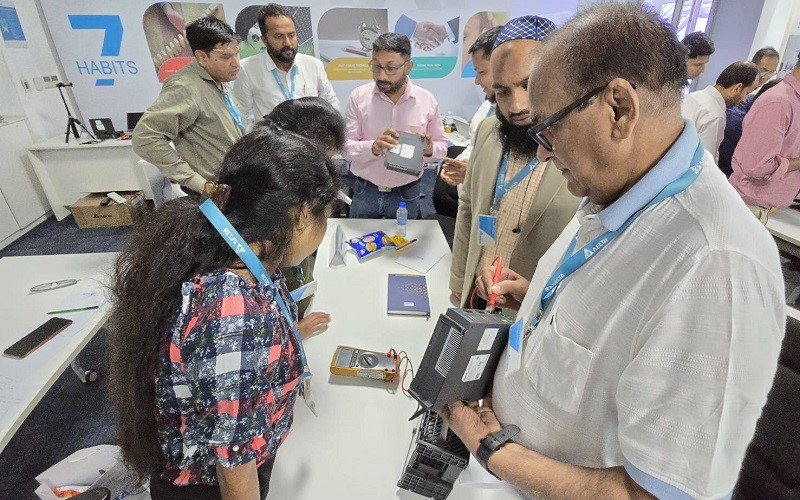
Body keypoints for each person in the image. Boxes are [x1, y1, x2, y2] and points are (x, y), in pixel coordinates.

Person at [441, 4, 785, 499]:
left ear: (619, 108)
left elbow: (652, 494)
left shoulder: (717, 264)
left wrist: (495, 451)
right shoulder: (612, 189)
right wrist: (539, 304)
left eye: (548, 128)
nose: (542, 151)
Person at [108, 127, 339, 500]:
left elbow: (226, 363)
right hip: (210, 485)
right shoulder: (232, 313)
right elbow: (234, 465)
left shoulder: (243, 258)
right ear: (299, 215)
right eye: (325, 214)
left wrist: (294, 332)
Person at [449, 16, 579, 307]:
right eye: (503, 91)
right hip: (478, 294)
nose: (517, 106)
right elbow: (468, 208)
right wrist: (459, 280)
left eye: (528, 85)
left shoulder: (582, 149)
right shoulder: (488, 131)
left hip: (534, 307)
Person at [258, 96, 345, 329]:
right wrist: (294, 330)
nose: (324, 170)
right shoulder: (269, 203)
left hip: (294, 304)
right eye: (322, 159)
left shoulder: (295, 185)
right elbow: (258, 323)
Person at [133, 16, 243, 195]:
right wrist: (198, 183)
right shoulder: (185, 87)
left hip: (234, 185)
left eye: (236, 53)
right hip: (213, 193)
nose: (236, 63)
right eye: (225, 56)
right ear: (202, 57)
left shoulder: (219, 79)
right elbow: (145, 138)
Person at [343, 33, 447, 219]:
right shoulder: (358, 97)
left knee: (405, 238)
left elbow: (442, 147)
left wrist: (430, 150)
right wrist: (373, 147)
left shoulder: (426, 100)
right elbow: (346, 148)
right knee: (360, 237)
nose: (381, 75)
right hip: (365, 191)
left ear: (408, 67)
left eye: (391, 68)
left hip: (406, 193)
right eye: (376, 66)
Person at [233, 4, 339, 128]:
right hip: (272, 139)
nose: (287, 43)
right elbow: (243, 116)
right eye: (278, 36)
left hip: (311, 138)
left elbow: (331, 104)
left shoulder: (313, 65)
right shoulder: (247, 69)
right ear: (264, 40)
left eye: (291, 35)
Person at [730, 54, 800, 222]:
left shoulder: (793, 102)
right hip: (746, 209)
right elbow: (756, 166)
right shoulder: (779, 102)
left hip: (762, 210)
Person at [440, 25, 503, 188]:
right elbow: (473, 146)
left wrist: (472, 172)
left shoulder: (524, 118)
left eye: (481, 72)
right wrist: (456, 166)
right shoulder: (487, 106)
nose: (477, 81)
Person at [719, 47, 781, 175]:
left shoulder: (757, 96)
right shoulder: (736, 109)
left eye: (771, 72)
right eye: (764, 70)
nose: (765, 76)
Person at [681, 60, 759, 162]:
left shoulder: (690, 97)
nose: (744, 100)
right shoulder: (715, 115)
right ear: (737, 88)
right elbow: (703, 162)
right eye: (747, 93)